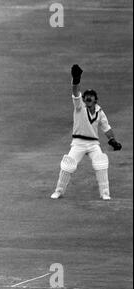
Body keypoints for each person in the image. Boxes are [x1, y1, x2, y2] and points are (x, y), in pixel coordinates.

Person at [51, 64, 122, 200]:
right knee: (68, 165)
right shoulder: (79, 107)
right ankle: (59, 191)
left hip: (93, 144)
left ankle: (105, 193)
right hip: (78, 143)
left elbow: (106, 128)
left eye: (91, 96)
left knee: (101, 162)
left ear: (95, 99)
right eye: (87, 96)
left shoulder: (99, 111)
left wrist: (113, 140)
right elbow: (75, 92)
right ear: (84, 99)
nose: (88, 98)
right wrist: (76, 79)